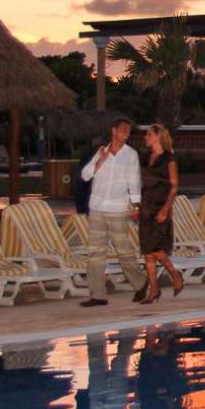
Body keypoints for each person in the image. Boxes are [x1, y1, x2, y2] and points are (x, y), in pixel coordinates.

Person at [78, 118, 147, 307]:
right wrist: (99, 162)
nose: (127, 134)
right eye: (124, 130)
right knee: (95, 253)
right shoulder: (101, 151)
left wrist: (135, 206)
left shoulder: (130, 155)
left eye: (128, 132)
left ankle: (141, 284)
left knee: (123, 250)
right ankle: (98, 295)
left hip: (118, 209)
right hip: (97, 208)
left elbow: (134, 181)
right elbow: (85, 175)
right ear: (114, 131)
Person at [136, 123, 185, 303]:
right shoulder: (146, 157)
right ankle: (154, 290)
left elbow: (174, 187)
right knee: (148, 253)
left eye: (148, 134)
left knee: (155, 248)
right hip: (146, 207)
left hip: (160, 207)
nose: (145, 138)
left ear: (157, 136)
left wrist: (166, 209)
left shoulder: (169, 159)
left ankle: (174, 274)